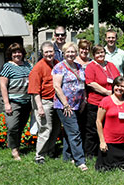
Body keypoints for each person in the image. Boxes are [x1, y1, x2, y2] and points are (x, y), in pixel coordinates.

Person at [52, 42, 87, 171]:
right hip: (64, 106)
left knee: (69, 132)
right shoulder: (59, 67)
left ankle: (68, 157)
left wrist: (84, 99)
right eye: (68, 52)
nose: (71, 54)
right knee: (74, 132)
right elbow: (56, 87)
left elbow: (82, 84)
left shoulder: (79, 66)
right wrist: (66, 104)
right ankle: (80, 161)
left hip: (78, 104)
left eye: (73, 52)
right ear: (64, 53)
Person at [84, 44, 120, 158]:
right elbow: (90, 83)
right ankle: (90, 154)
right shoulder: (91, 66)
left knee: (108, 128)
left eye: (102, 52)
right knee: (93, 130)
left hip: (110, 103)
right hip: (96, 103)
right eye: (98, 53)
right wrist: (106, 92)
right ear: (93, 55)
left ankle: (106, 151)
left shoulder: (110, 65)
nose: (100, 55)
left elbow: (118, 79)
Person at [28, 41, 61, 164]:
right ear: (42, 53)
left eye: (51, 51)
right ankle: (40, 155)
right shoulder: (38, 68)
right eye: (46, 52)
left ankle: (50, 151)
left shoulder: (57, 64)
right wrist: (40, 107)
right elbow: (34, 90)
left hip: (57, 101)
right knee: (45, 128)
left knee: (55, 129)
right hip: (44, 101)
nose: (49, 54)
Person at [0, 43, 32, 160]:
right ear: (11, 54)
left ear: (23, 53)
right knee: (12, 126)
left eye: (19, 52)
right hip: (13, 101)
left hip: (26, 102)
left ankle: (16, 146)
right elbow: (3, 86)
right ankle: (14, 150)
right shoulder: (7, 66)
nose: (17, 54)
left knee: (21, 126)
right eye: (14, 52)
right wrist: (7, 104)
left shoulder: (28, 65)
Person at [95, 76, 124, 171]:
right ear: (113, 86)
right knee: (106, 169)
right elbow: (98, 121)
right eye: (117, 86)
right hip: (110, 143)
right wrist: (102, 141)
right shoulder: (106, 101)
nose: (119, 88)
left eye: (122, 86)